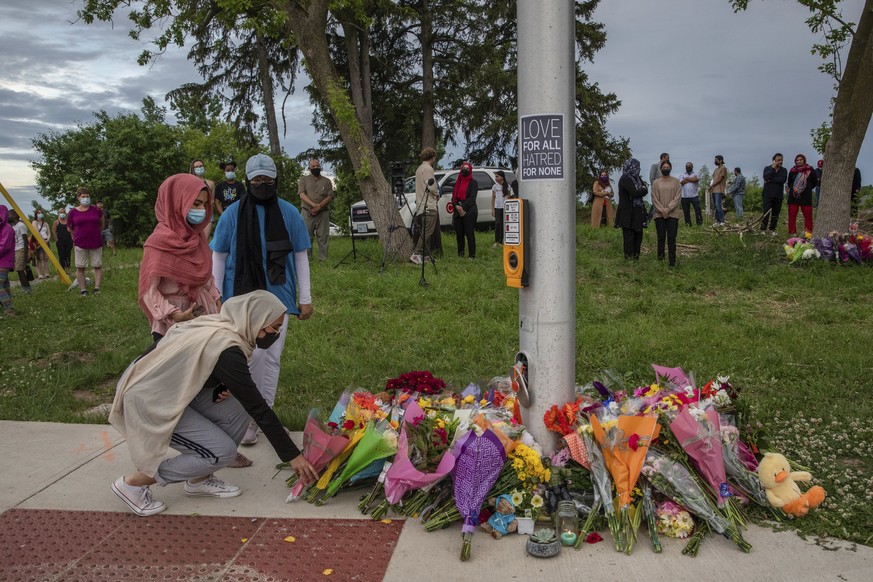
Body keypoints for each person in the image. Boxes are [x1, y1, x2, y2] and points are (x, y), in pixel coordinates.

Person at [108, 290, 319, 517]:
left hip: (171, 392)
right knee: (221, 452)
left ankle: (199, 480)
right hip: (149, 402)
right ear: (256, 320)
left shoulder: (225, 325)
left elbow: (192, 365)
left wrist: (219, 382)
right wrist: (292, 456)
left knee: (238, 409)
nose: (276, 333)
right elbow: (259, 408)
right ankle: (133, 484)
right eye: (274, 327)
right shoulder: (227, 348)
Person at [211, 153, 312, 446]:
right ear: (248, 181)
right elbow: (219, 257)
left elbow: (300, 255)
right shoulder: (231, 215)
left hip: (277, 299)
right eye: (257, 180)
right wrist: (216, 298)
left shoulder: (289, 213)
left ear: (275, 180)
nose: (262, 184)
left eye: (267, 179)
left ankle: (261, 418)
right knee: (250, 357)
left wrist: (305, 297)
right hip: (238, 301)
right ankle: (247, 418)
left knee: (272, 358)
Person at [139, 174, 222, 343]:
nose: (202, 210)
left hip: (203, 315)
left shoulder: (197, 239)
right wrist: (176, 315)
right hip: (171, 323)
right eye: (196, 204)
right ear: (176, 202)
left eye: (205, 205)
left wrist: (217, 299)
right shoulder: (158, 243)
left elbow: (206, 277)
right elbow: (150, 291)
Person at [67, 186, 104, 295]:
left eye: (87, 196)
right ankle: (83, 289)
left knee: (97, 265)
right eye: (83, 196)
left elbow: (101, 224)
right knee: (80, 267)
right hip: (80, 243)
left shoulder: (96, 210)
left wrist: (95, 232)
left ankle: (97, 288)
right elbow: (69, 227)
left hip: (96, 242)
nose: (86, 198)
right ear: (78, 197)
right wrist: (75, 236)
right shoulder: (73, 212)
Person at [298, 158, 334, 263]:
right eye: (313, 166)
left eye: (317, 166)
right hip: (307, 213)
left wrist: (319, 207)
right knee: (306, 237)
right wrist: (314, 206)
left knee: (323, 237)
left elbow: (330, 196)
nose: (315, 168)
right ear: (309, 168)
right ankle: (307, 260)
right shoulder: (303, 180)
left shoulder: (327, 181)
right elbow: (301, 194)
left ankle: (323, 260)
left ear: (320, 167)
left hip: (322, 213)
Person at [410, 147, 441, 264]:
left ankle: (426, 255)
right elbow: (431, 186)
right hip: (428, 205)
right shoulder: (428, 169)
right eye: (434, 157)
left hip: (420, 205)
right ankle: (416, 254)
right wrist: (437, 193)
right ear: (432, 157)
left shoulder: (419, 169)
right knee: (427, 232)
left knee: (426, 231)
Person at [616, 158, 648, 260]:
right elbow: (635, 193)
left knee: (638, 234)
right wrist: (642, 190)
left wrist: (642, 190)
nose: (638, 169)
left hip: (637, 211)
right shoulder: (625, 178)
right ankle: (628, 258)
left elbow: (645, 189)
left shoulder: (637, 179)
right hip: (627, 213)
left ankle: (636, 256)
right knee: (629, 235)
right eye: (636, 166)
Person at [651, 161, 682, 267]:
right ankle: (660, 259)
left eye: (667, 167)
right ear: (660, 169)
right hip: (659, 215)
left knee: (672, 238)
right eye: (663, 167)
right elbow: (654, 198)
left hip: (673, 215)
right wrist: (662, 210)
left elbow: (677, 198)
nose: (665, 168)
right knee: (661, 237)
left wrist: (668, 210)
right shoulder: (656, 183)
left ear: (671, 168)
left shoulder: (676, 182)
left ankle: (672, 262)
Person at [451, 161, 479, 259]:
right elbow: (453, 197)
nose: (465, 170)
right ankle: (460, 254)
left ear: (470, 170)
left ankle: (472, 255)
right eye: (463, 168)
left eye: (467, 169)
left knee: (469, 233)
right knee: (459, 234)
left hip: (469, 211)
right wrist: (456, 206)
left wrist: (463, 207)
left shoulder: (473, 182)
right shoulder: (458, 182)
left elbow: (472, 198)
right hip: (458, 211)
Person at [786, 154, 818, 237]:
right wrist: (797, 189)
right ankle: (792, 233)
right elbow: (789, 183)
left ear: (804, 160)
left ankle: (808, 233)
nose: (799, 161)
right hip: (794, 196)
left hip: (806, 196)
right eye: (797, 160)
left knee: (808, 215)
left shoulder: (810, 169)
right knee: (792, 214)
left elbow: (815, 182)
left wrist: (805, 188)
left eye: (801, 160)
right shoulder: (792, 170)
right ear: (795, 161)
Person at [761, 153, 788, 236]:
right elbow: (766, 177)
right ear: (774, 161)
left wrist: (770, 180)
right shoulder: (767, 168)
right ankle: (763, 229)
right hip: (767, 194)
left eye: (781, 160)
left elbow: (782, 180)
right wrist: (772, 168)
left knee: (776, 213)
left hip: (778, 195)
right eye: (778, 160)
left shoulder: (784, 170)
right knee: (766, 212)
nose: (780, 161)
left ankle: (772, 229)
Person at [10, 212, 33, 294]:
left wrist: (26, 254)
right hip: (16, 249)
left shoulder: (21, 225)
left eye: (10, 213)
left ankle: (28, 289)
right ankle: (25, 288)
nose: (8, 215)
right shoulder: (14, 226)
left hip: (21, 249)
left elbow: (25, 240)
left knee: (20, 269)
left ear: (15, 215)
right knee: (19, 270)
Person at [0, 205, 16, 316]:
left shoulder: (7, 229)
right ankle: (9, 307)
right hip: (2, 261)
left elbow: (4, 246)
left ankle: (8, 308)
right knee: (4, 285)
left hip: (4, 261)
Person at [492, 170, 512, 244]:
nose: (496, 178)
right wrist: (493, 209)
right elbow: (493, 198)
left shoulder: (508, 186)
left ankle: (505, 239)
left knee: (505, 223)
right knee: (498, 224)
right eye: (495, 176)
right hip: (497, 207)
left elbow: (509, 198)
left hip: (505, 208)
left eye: (497, 176)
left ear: (502, 177)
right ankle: (497, 241)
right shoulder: (495, 186)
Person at [707, 155, 728, 226]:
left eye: (716, 160)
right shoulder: (716, 169)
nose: (715, 161)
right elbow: (714, 179)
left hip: (719, 190)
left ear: (721, 160)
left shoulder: (723, 168)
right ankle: (718, 221)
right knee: (715, 206)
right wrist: (710, 186)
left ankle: (722, 221)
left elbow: (719, 179)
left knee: (718, 205)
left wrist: (711, 186)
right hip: (714, 190)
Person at [30, 210, 51, 278]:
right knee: (40, 258)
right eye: (38, 213)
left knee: (46, 258)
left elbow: (49, 233)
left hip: (46, 241)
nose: (40, 214)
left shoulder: (45, 223)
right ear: (36, 214)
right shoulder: (34, 222)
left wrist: (47, 239)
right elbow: (36, 231)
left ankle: (47, 273)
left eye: (41, 213)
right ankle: (40, 274)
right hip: (38, 242)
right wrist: (42, 240)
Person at [648, 153, 669, 220]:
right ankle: (648, 220)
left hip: (665, 189)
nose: (668, 159)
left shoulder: (667, 167)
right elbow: (652, 178)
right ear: (663, 158)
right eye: (667, 158)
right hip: (656, 189)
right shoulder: (655, 165)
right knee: (655, 204)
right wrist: (656, 187)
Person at [52, 208, 73, 272]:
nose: (62, 214)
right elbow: (54, 231)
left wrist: (72, 239)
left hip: (68, 240)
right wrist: (56, 240)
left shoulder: (68, 221)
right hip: (60, 241)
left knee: (68, 254)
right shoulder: (56, 222)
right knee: (61, 255)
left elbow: (71, 230)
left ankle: (68, 268)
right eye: (60, 212)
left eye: (63, 212)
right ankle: (62, 269)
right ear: (58, 213)